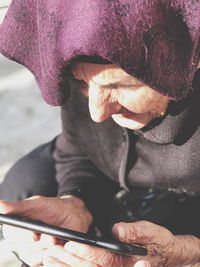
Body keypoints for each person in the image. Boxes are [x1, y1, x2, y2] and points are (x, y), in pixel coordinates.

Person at [0, 1, 200, 266]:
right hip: (118, 181)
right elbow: (78, 147)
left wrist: (186, 252)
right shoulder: (82, 49)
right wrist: (77, 202)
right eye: (82, 82)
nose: (97, 113)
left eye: (120, 84)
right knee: (25, 184)